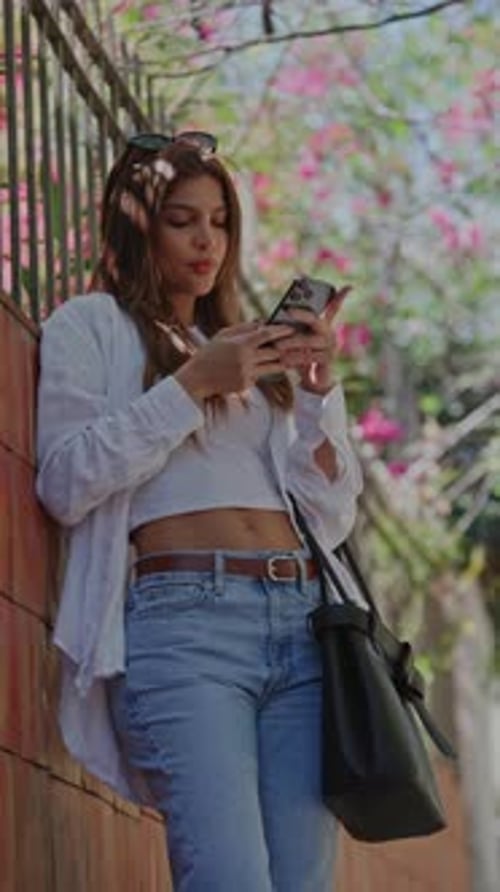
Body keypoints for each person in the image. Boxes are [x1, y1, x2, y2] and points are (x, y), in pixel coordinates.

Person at [35, 131, 363, 892]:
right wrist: (191, 387)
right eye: (182, 219)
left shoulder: (245, 350)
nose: (205, 240)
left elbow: (329, 515)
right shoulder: (88, 327)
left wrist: (316, 391)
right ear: (135, 225)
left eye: (218, 222)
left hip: (301, 624)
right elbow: (65, 482)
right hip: (186, 626)